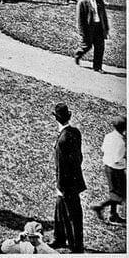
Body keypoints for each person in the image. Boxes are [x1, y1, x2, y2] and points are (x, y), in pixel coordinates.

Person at [52, 102, 85, 253]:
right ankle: (60, 237)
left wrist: (60, 186)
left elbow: (61, 165)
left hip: (65, 183)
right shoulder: (75, 133)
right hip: (75, 180)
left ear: (56, 119)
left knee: (72, 215)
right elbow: (80, 157)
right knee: (61, 209)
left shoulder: (62, 140)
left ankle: (76, 246)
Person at [92, 115, 127, 224]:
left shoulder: (108, 136)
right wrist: (125, 159)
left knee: (114, 192)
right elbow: (117, 159)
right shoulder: (121, 142)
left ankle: (113, 214)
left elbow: (103, 149)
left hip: (108, 167)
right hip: (116, 169)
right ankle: (100, 206)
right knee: (122, 194)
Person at [74, 0, 109, 73]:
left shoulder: (100, 2)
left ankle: (97, 67)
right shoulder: (82, 3)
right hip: (88, 28)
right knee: (87, 46)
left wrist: (106, 28)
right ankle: (78, 54)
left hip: (99, 28)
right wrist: (82, 31)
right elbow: (80, 19)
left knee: (100, 47)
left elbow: (104, 16)